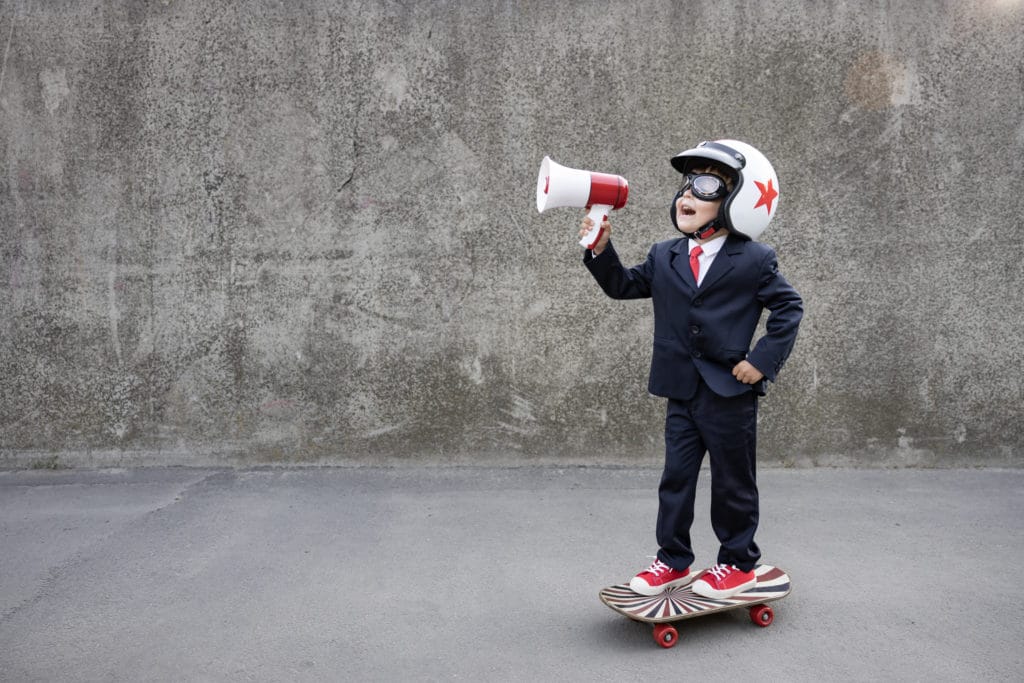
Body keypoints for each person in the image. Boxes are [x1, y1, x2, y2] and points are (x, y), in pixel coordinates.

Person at [580, 140, 803, 599]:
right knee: (675, 479)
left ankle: (739, 563)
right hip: (681, 390)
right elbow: (624, 286)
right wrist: (601, 250)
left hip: (729, 394)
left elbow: (788, 308)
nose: (686, 196)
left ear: (735, 201)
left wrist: (760, 362)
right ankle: (672, 559)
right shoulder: (666, 255)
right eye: (685, 185)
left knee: (733, 481)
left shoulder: (755, 259)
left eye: (704, 187)